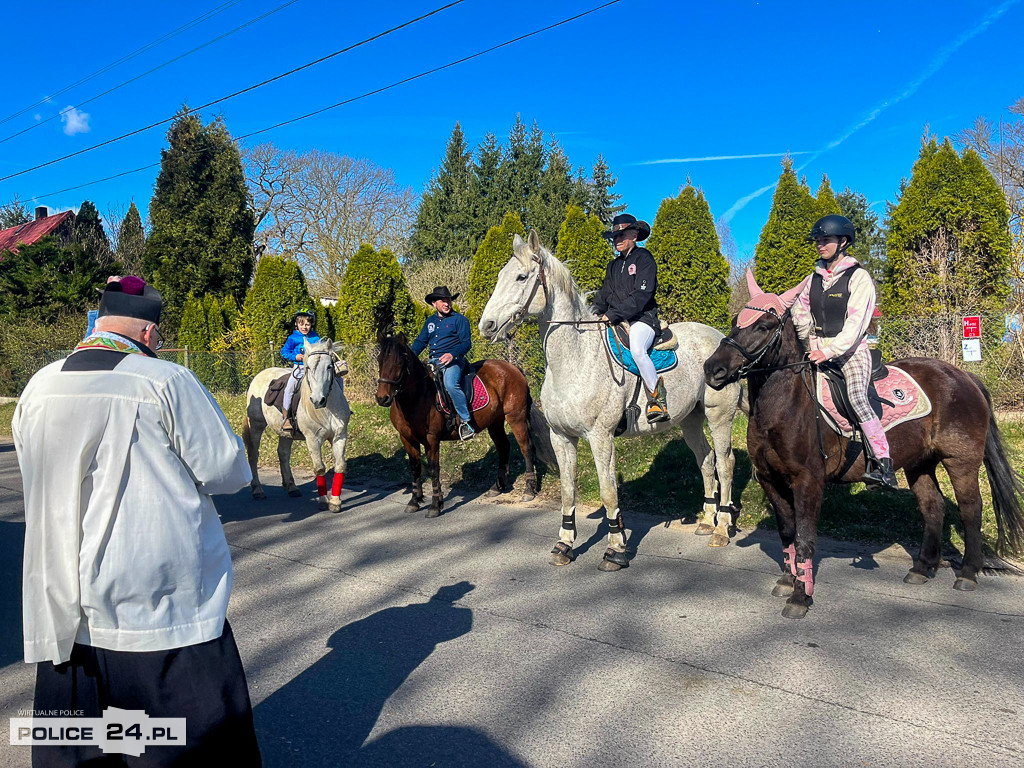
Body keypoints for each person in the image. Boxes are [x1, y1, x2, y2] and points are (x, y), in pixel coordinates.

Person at [12, 276, 262, 766]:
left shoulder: (38, 386)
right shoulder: (165, 380)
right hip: (160, 613)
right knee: (176, 750)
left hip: (67, 613)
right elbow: (228, 471)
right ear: (149, 333)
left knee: (85, 748)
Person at [792, 214, 898, 488]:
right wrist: (806, 338)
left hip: (851, 353)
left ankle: (883, 464)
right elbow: (800, 310)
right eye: (817, 240)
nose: (820, 245)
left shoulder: (859, 278)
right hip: (816, 350)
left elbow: (855, 325)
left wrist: (828, 351)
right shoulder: (812, 278)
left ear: (843, 242)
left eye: (825, 239)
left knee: (856, 398)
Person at [593, 213, 668, 423]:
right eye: (615, 237)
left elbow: (642, 295)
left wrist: (613, 314)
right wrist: (593, 312)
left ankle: (657, 400)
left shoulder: (644, 259)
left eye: (622, 235)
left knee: (637, 349)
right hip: (618, 320)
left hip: (643, 319)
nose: (617, 240)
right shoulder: (613, 266)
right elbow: (604, 295)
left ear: (634, 235)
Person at [410, 286, 475, 440]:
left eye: (449, 300)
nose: (447, 304)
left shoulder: (460, 320)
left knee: (450, 384)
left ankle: (466, 422)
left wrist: (452, 354)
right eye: (443, 301)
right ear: (434, 303)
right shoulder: (430, 322)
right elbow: (420, 342)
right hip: (433, 361)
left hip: (454, 362)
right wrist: (409, 357)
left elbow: (467, 343)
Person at [280, 309, 320, 436]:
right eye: (301, 324)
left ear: (311, 325)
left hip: (314, 368)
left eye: (307, 324)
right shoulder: (293, 338)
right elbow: (284, 352)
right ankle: (286, 417)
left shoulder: (315, 337)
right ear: (297, 324)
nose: (304, 327)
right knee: (289, 388)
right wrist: (294, 356)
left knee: (335, 379)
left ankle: (341, 408)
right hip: (300, 368)